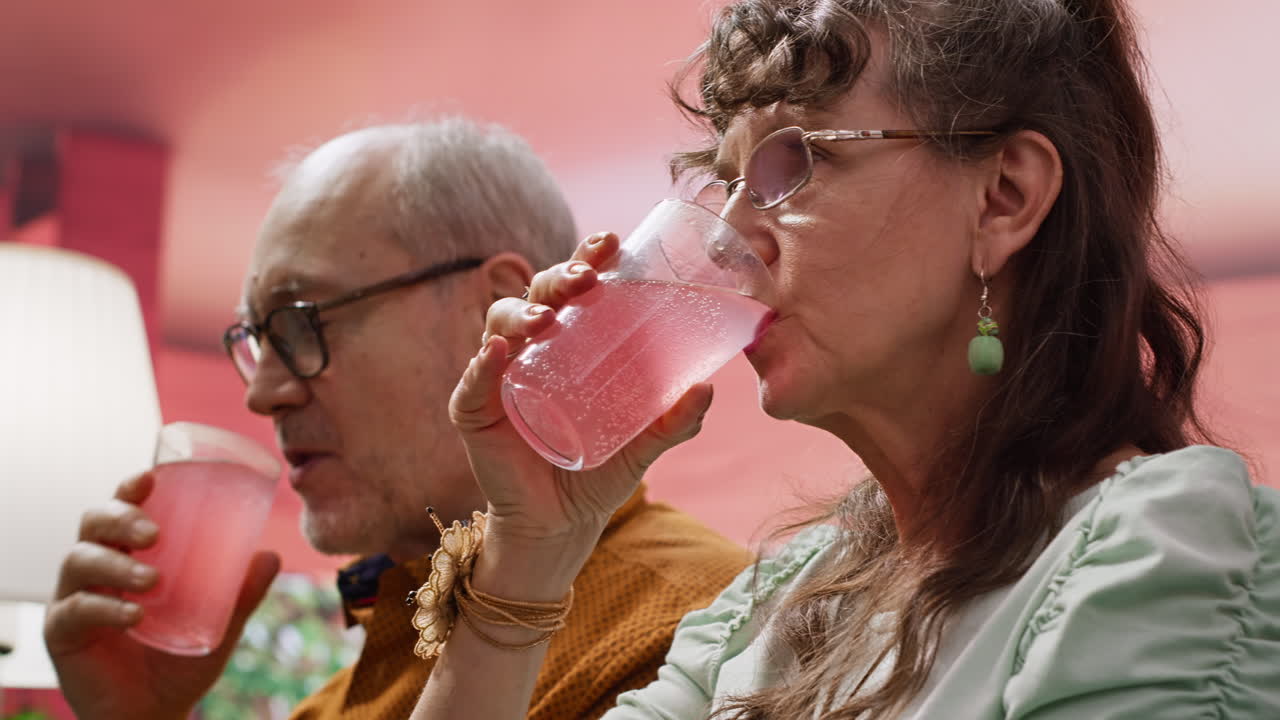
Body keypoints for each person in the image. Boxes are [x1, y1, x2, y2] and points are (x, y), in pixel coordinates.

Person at [410, 1, 1280, 718]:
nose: (731, 238)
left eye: (797, 162)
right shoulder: (768, 614)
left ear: (1004, 199)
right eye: (727, 183)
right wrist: (533, 547)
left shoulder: (1158, 552)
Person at [42, 117, 752, 720]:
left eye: (300, 322)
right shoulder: (331, 702)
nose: (263, 394)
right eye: (257, 339)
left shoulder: (706, 637)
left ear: (493, 309)